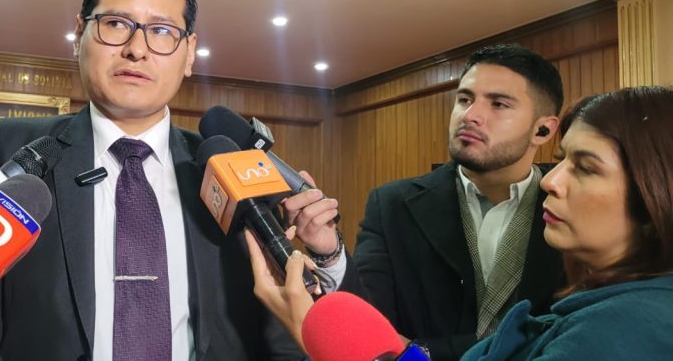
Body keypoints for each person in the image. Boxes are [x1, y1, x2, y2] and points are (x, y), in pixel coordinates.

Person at [0, 0, 345, 360]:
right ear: (80, 33)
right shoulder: (9, 149)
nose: (136, 49)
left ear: (189, 52)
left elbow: (283, 333)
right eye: (115, 24)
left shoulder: (228, 167)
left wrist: (327, 257)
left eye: (162, 31)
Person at [249, 86, 673, 360]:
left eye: (586, 167)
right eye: (465, 99)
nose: (553, 181)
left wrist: (316, 337)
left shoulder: (621, 333)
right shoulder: (392, 202)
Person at [340, 44, 568, 359]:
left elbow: (580, 327)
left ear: (542, 130)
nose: (470, 116)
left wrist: (424, 351)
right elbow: (375, 332)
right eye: (464, 99)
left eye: (499, 104)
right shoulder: (392, 205)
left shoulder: (570, 203)